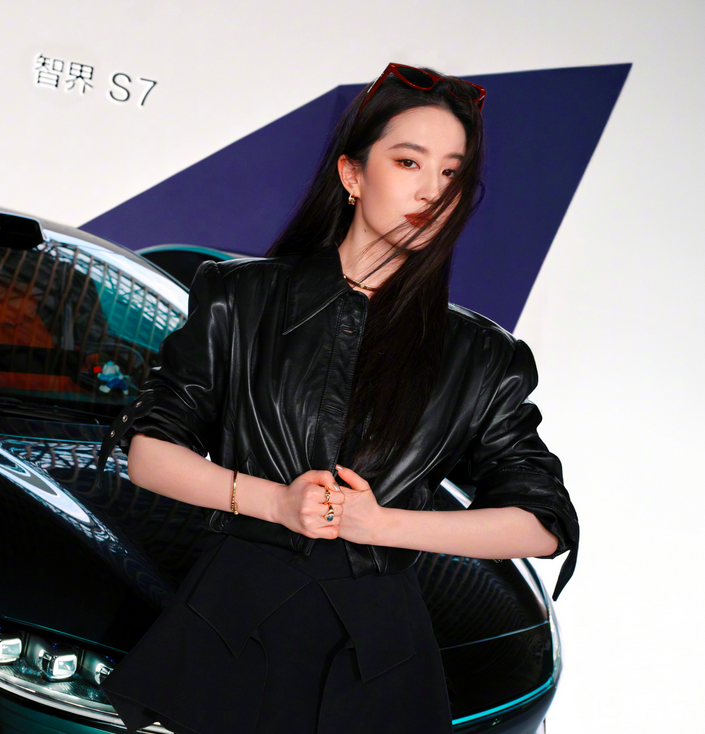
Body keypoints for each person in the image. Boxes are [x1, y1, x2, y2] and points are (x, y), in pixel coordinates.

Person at [94, 63, 579, 734]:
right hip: (236, 622)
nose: (431, 190)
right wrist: (276, 502)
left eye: (451, 173)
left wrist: (381, 525)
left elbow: (542, 523)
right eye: (409, 162)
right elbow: (150, 452)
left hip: (374, 651)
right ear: (352, 174)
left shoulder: (482, 355)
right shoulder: (241, 296)